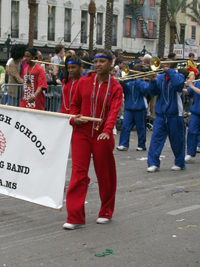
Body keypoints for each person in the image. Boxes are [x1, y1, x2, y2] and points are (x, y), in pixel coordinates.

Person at [63, 49, 123, 230]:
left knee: (105, 174)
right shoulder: (84, 82)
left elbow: (113, 112)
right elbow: (74, 106)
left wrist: (107, 130)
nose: (98, 65)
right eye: (96, 62)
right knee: (78, 173)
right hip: (81, 132)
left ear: (110, 63)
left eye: (102, 62)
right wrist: (74, 119)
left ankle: (106, 211)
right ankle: (75, 217)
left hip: (102, 135)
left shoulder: (116, 87)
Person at [147, 59, 186, 172]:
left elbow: (179, 85)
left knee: (177, 140)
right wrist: (153, 81)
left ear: (174, 64)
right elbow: (153, 92)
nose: (164, 65)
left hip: (175, 115)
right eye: (164, 63)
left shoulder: (179, 76)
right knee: (156, 139)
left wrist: (170, 71)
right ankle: (153, 163)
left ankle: (179, 162)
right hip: (160, 114)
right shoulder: (160, 77)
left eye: (168, 63)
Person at [117, 66, 149, 151]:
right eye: (135, 73)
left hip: (140, 109)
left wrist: (138, 80)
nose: (135, 75)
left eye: (137, 74)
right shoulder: (130, 83)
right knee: (125, 126)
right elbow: (124, 90)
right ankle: (124, 144)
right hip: (129, 108)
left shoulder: (145, 84)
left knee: (141, 128)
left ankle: (141, 145)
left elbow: (143, 90)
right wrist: (122, 82)